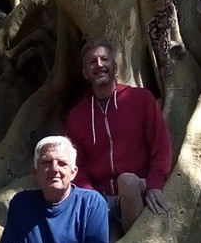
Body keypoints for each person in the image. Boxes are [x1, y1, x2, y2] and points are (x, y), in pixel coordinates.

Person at [65, 40, 173, 232]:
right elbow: (76, 163)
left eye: (104, 59)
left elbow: (161, 144)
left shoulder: (141, 99)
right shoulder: (77, 116)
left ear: (114, 67)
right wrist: (88, 193)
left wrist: (155, 183)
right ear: (85, 72)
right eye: (92, 62)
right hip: (100, 195)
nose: (99, 65)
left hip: (136, 188)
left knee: (127, 182)